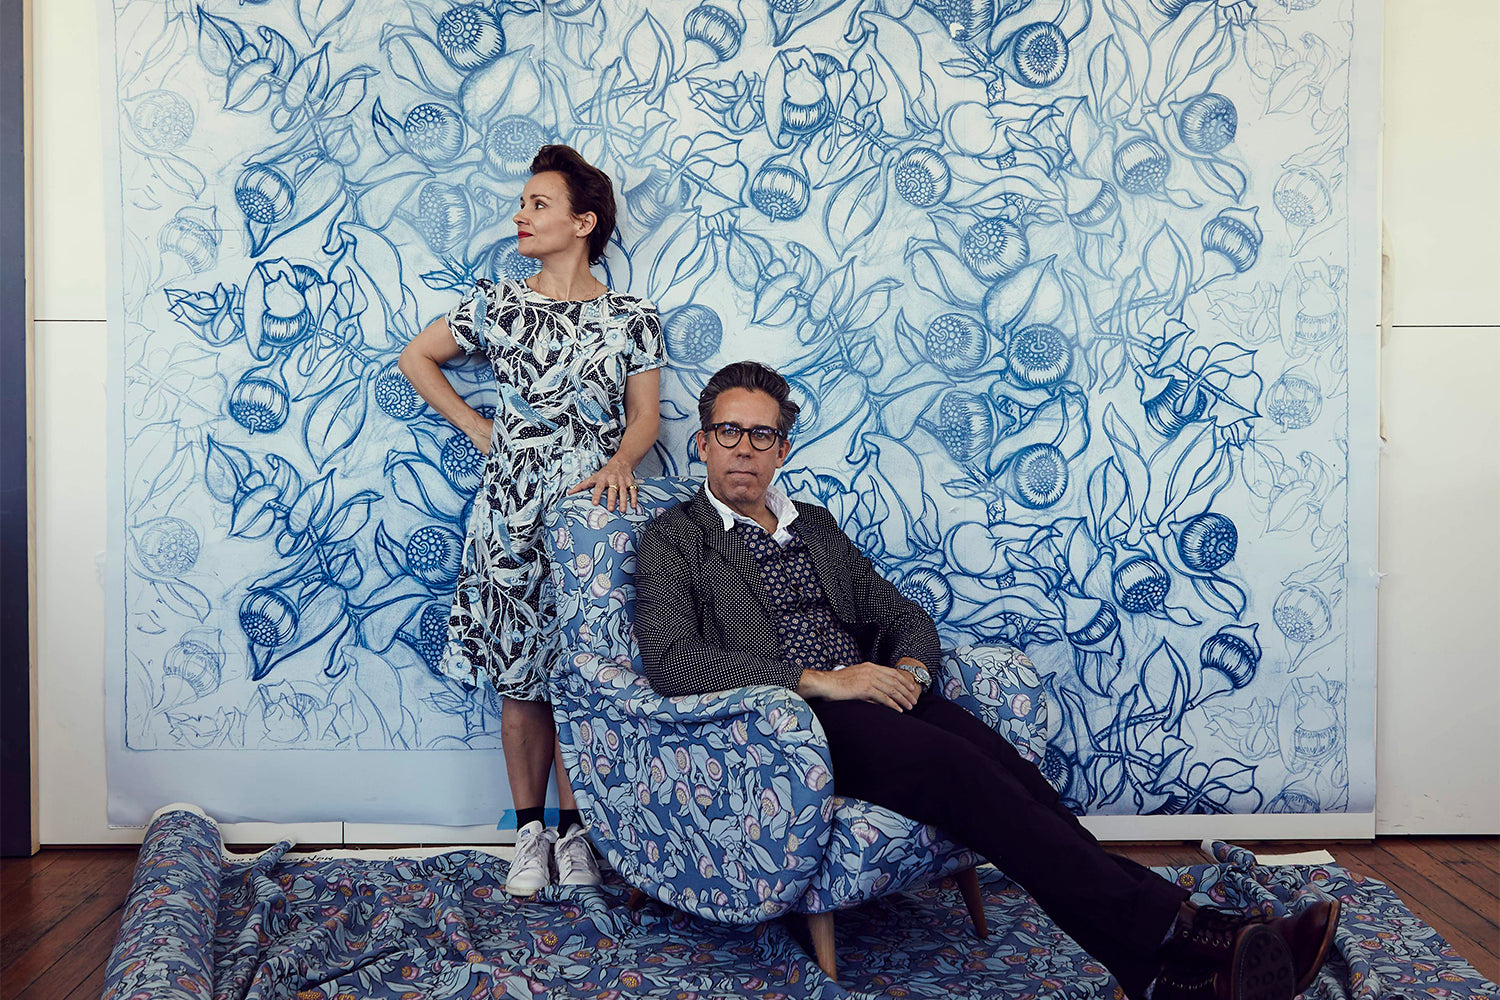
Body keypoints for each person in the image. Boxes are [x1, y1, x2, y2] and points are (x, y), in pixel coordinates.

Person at [632, 361, 1337, 1000]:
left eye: (761, 435)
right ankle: (1197, 933)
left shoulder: (812, 525)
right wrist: (824, 680)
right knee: (962, 774)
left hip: (878, 699)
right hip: (794, 725)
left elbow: (897, 610)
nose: (744, 448)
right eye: (729, 432)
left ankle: (1161, 966)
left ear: (782, 449)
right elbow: (672, 660)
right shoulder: (675, 540)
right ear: (702, 443)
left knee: (1019, 781)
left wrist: (909, 667)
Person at [398, 145, 664, 896]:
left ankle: (579, 837)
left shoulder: (630, 318)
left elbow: (644, 417)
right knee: (521, 679)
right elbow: (416, 358)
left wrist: (617, 463)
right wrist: (477, 429)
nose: (521, 214)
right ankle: (528, 835)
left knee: (586, 671)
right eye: (523, 202)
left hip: (593, 516)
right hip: (510, 513)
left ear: (584, 222)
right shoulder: (497, 303)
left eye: (539, 204)